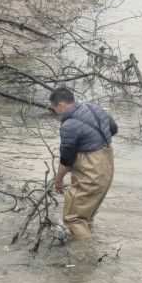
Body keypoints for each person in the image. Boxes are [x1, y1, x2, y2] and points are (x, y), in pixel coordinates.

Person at [49, 87, 117, 239]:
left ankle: (83, 252)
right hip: (107, 167)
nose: (56, 113)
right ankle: (90, 244)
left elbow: (66, 159)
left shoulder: (69, 125)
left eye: (55, 108)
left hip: (92, 171)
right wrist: (92, 141)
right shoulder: (95, 108)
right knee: (86, 216)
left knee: (73, 219)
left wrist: (58, 179)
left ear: (61, 105)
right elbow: (113, 129)